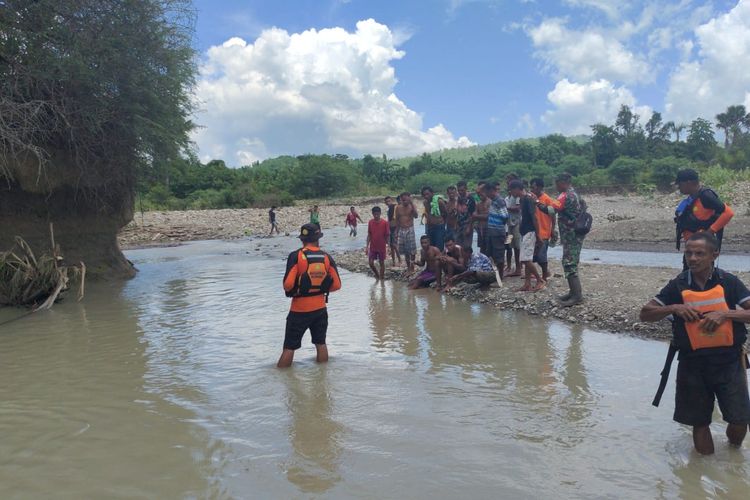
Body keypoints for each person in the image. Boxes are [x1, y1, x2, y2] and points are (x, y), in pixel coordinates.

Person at [639, 232, 750, 455]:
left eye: (699, 253)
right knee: (699, 422)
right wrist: (673, 308)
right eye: (689, 253)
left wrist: (725, 314)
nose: (693, 258)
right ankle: (704, 471)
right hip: (692, 363)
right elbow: (645, 314)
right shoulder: (678, 285)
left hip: (729, 362)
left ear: (714, 255)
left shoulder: (729, 282)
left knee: (740, 420)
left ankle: (733, 453)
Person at [279, 224, 342, 368]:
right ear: (318, 239)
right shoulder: (327, 257)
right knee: (321, 343)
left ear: (302, 239)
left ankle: (281, 380)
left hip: (299, 311)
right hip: (320, 309)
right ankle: (322, 376)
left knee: (289, 347)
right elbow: (337, 285)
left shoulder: (296, 256)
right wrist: (320, 287)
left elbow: (287, 285)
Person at [674, 169, 734, 266]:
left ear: (688, 183)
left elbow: (728, 213)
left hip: (702, 250)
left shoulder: (706, 196)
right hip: (692, 248)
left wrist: (710, 231)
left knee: (700, 277)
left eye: (680, 184)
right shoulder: (691, 198)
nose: (678, 188)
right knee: (687, 278)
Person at [554, 172, 585, 306]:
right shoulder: (575, 194)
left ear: (562, 182)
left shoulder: (567, 196)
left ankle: (576, 296)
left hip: (570, 234)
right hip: (574, 233)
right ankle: (573, 293)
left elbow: (552, 209)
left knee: (569, 263)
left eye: (557, 183)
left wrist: (538, 203)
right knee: (571, 262)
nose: (555, 186)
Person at [510, 180, 544, 292]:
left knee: (524, 259)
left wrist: (538, 235)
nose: (511, 192)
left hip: (530, 231)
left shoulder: (528, 198)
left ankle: (539, 280)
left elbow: (534, 217)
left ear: (517, 189)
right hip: (524, 231)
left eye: (511, 190)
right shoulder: (522, 199)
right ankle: (527, 283)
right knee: (526, 258)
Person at [473, 182, 507, 286]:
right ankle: (491, 277)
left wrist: (497, 225)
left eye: (486, 191)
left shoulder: (499, 201)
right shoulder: (493, 201)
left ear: (490, 191)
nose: (485, 194)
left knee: (499, 256)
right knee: (489, 255)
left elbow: (505, 216)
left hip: (497, 232)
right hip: (492, 232)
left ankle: (500, 279)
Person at [529, 178, 560, 282]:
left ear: (540, 187)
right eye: (532, 187)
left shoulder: (547, 199)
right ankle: (545, 273)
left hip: (544, 231)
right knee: (534, 256)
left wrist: (552, 229)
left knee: (541, 256)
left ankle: (544, 275)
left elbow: (553, 215)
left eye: (534, 187)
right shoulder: (531, 199)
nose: (532, 189)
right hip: (534, 231)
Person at [395, 192, 419, 272]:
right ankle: (408, 266)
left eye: (406, 198)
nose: (404, 200)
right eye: (403, 199)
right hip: (401, 230)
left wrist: (412, 204)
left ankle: (412, 266)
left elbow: (416, 216)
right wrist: (396, 232)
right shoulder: (398, 207)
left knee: (412, 250)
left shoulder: (412, 206)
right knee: (405, 250)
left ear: (409, 198)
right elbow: (397, 220)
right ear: (401, 199)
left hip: (410, 229)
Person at [505, 174, 522, 277]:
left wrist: (506, 208)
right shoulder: (509, 195)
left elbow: (518, 208)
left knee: (517, 246)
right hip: (509, 225)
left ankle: (519, 268)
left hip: (516, 224)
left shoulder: (517, 195)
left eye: (509, 181)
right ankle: (510, 266)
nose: (508, 183)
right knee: (509, 245)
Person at [366, 206, 390, 280]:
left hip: (381, 246)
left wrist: (388, 246)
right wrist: (367, 246)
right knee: (370, 263)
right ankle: (377, 275)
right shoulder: (370, 222)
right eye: (374, 214)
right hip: (373, 246)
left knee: (381, 263)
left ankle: (381, 278)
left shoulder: (385, 223)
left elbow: (387, 235)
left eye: (377, 214)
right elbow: (369, 234)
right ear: (372, 214)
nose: (376, 216)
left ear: (380, 213)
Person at [422, 186, 447, 251]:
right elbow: (428, 213)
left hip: (439, 227)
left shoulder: (439, 202)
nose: (426, 196)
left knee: (439, 247)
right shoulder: (425, 202)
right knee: (430, 247)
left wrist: (442, 224)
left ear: (432, 193)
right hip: (430, 227)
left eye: (427, 194)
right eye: (424, 195)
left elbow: (445, 213)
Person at [456, 180, 476, 250]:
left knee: (466, 247)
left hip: (467, 225)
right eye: (459, 190)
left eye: (462, 190)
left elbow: (472, 215)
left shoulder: (470, 199)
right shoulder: (458, 198)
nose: (460, 192)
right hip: (459, 225)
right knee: (458, 246)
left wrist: (469, 227)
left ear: (466, 189)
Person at [385, 196, 402, 267]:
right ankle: (394, 261)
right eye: (387, 202)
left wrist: (397, 230)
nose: (388, 203)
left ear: (391, 200)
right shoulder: (389, 209)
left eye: (389, 201)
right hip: (390, 228)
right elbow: (389, 220)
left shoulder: (395, 207)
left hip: (395, 228)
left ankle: (400, 260)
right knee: (392, 246)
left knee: (394, 245)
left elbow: (398, 218)